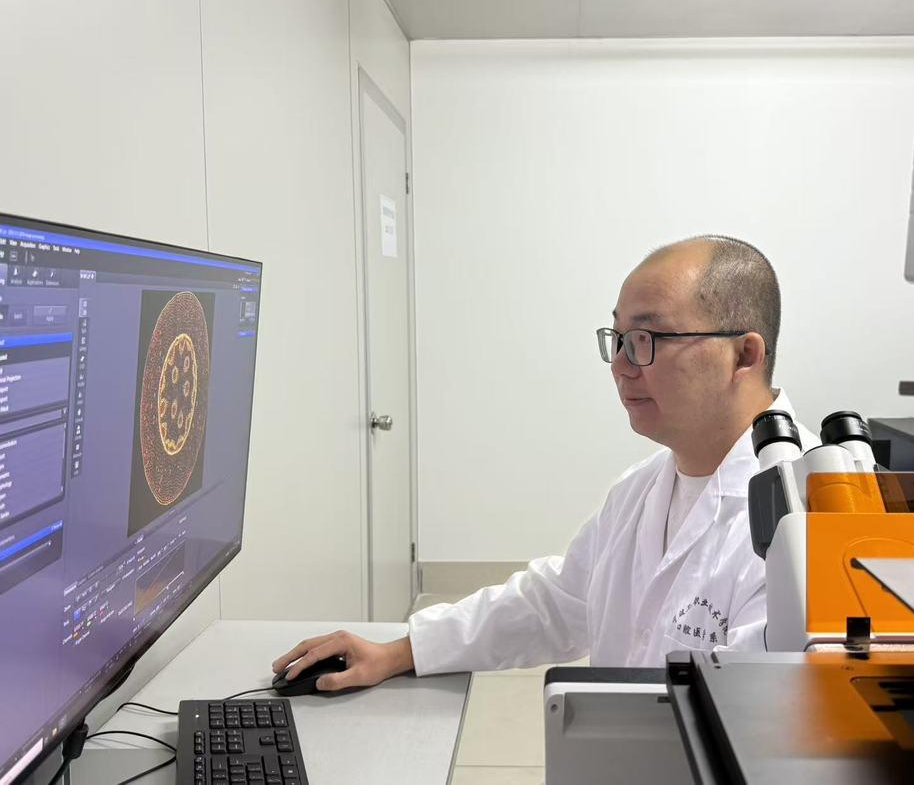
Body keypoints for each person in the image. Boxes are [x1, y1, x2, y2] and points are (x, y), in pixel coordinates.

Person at [272, 235, 816, 690]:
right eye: (619, 339)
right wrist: (401, 650)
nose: (621, 365)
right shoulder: (643, 490)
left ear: (744, 354)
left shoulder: (813, 522)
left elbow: (760, 728)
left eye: (647, 338)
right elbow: (556, 600)